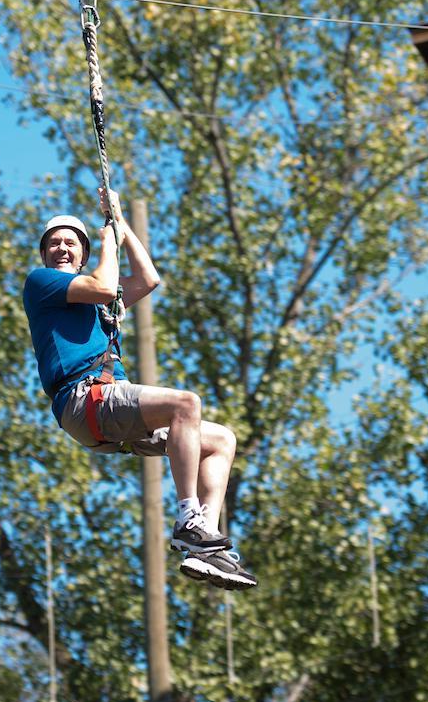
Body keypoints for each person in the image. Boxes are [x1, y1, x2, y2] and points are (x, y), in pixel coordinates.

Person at [23, 188, 256, 591]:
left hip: (105, 412)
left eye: (70, 243)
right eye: (54, 243)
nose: (61, 248)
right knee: (186, 404)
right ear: (45, 255)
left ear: (81, 253)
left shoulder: (97, 300)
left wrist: (120, 223)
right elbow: (102, 284)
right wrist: (109, 240)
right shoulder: (42, 283)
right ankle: (188, 519)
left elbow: (149, 279)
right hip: (85, 398)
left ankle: (205, 546)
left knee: (220, 440)